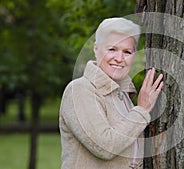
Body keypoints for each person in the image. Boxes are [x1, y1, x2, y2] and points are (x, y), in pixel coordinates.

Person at [59, 17, 163, 169]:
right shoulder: (79, 90)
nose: (119, 58)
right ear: (96, 49)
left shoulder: (122, 95)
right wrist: (141, 110)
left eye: (127, 51)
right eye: (112, 49)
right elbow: (104, 147)